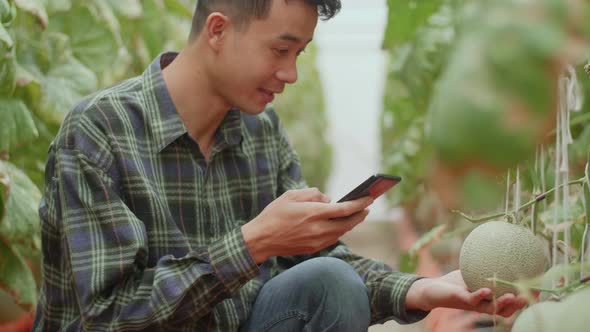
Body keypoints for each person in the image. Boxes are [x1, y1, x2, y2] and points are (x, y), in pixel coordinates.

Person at [32, 1, 527, 331]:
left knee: (328, 283)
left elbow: (326, 265)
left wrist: (423, 289)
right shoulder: (99, 132)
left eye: (300, 53)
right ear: (218, 30)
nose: (289, 73)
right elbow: (105, 316)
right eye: (280, 49)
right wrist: (255, 243)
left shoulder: (259, 131)